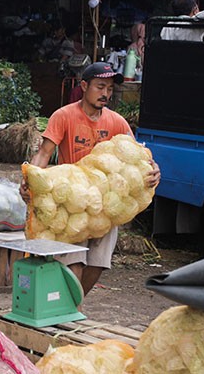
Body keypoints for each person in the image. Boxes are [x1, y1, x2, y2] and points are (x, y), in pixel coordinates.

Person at [20, 62, 161, 296]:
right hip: (72, 204)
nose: (106, 93)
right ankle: (68, 308)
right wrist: (29, 179)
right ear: (84, 86)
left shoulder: (117, 122)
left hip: (106, 206)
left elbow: (139, 155)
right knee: (74, 263)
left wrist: (154, 168)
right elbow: (44, 153)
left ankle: (71, 306)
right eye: (100, 87)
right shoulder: (64, 116)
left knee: (97, 264)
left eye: (110, 89)